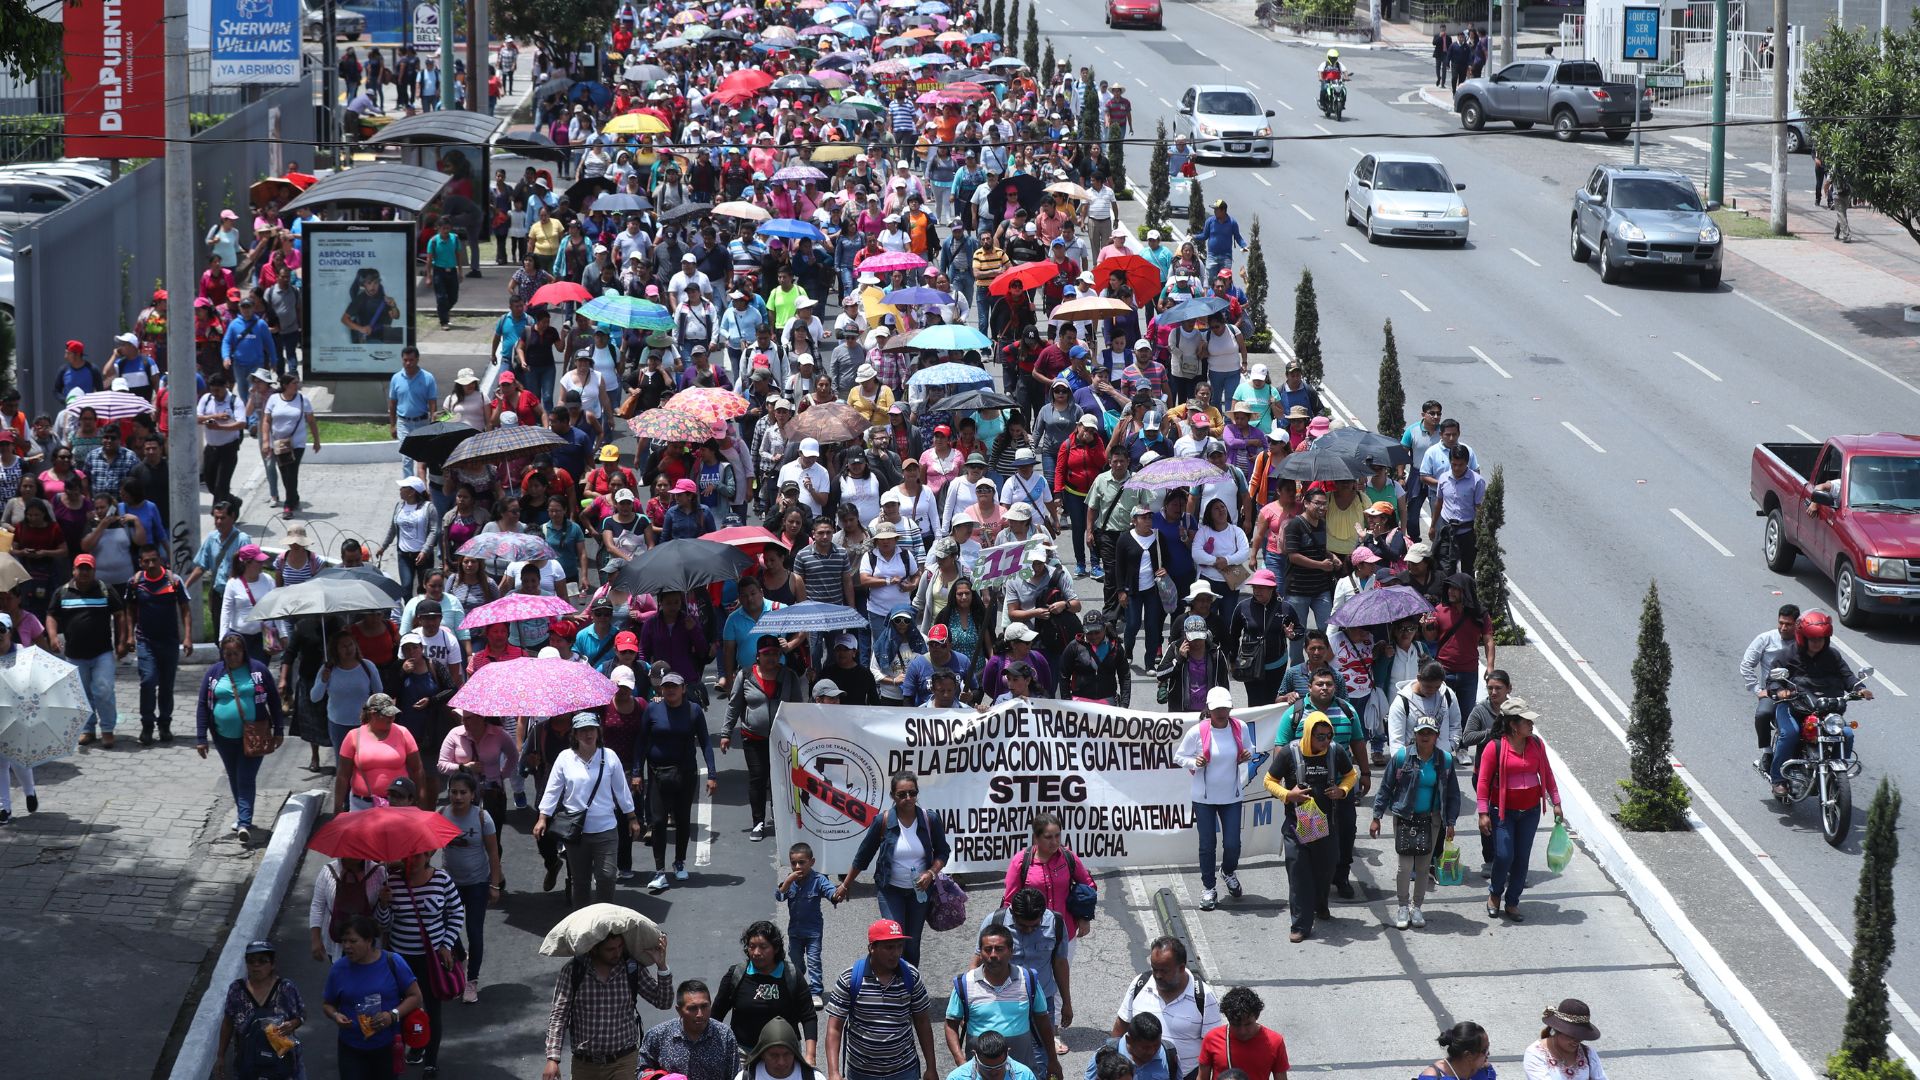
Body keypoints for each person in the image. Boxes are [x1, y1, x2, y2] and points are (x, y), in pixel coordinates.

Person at [836, 771, 951, 968]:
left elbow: (943, 852)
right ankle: (892, 983)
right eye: (902, 794)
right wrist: (846, 885)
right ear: (892, 796)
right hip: (890, 891)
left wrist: (931, 873)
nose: (908, 798)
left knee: (912, 943)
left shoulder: (930, 819)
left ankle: (910, 986)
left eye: (912, 793)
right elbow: (863, 856)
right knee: (894, 938)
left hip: (920, 893)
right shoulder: (883, 821)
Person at [1263, 711, 1357, 942]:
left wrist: (1342, 791)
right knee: (1298, 874)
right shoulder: (1289, 752)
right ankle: (1300, 924)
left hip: (1327, 823)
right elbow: (1268, 781)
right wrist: (1288, 794)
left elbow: (1350, 775)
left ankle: (1320, 903)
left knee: (1325, 871)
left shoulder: (1336, 751)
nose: (1325, 741)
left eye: (1328, 736)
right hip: (1297, 824)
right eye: (1320, 737)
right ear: (1308, 734)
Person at [533, 712, 640, 910]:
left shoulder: (609, 757)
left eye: (591, 729)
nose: (588, 734)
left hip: (606, 828)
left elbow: (621, 790)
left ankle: (605, 919)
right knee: (580, 882)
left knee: (607, 877)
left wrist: (631, 817)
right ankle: (583, 926)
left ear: (598, 732)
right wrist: (543, 817)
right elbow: (552, 789)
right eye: (582, 730)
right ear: (575, 734)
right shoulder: (565, 758)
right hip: (576, 832)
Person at [372, 850, 464, 1075]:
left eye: (417, 857)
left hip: (431, 960)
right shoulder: (391, 882)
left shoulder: (442, 880)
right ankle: (408, 1047)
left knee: (432, 1010)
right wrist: (383, 904)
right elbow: (383, 924)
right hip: (400, 960)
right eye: (406, 857)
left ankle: (430, 1061)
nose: (411, 862)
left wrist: (446, 944)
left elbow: (456, 912)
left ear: (427, 857)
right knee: (401, 1008)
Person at [541, 931, 675, 1080]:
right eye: (610, 949)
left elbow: (664, 1002)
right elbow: (559, 1016)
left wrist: (661, 966)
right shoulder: (573, 971)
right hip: (585, 1065)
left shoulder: (631, 968)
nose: (617, 953)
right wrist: (552, 1059)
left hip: (624, 1062)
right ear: (594, 949)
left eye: (620, 946)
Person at [1476, 696, 1563, 920]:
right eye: (1526, 721)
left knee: (1522, 858)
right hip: (1503, 812)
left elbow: (1547, 773)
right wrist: (1483, 813)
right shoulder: (1494, 748)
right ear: (1514, 725)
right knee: (1504, 855)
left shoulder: (1536, 744)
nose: (1531, 724)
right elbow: (1483, 782)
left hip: (1530, 812)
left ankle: (1513, 901)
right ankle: (1495, 893)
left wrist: (1556, 802)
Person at [1371, 718, 1461, 931]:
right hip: (1404, 817)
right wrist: (1377, 817)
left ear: (1437, 735)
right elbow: (1386, 787)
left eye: (1430, 732)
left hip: (1432, 819)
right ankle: (1402, 906)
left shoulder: (1445, 760)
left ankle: (1416, 907)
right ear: (1415, 734)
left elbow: (1453, 794)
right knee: (1405, 867)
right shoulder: (1402, 757)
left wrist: (1451, 822)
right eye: (1422, 732)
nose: (1425, 736)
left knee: (1423, 866)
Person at [194, 634, 285, 842]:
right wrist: (201, 738)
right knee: (234, 776)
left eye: (236, 653)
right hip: (223, 737)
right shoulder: (213, 674)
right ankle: (243, 815)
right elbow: (202, 705)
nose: (232, 657)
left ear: (244, 652)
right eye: (228, 654)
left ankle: (244, 822)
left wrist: (279, 730)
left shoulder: (259, 671)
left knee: (245, 776)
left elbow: (273, 700)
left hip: (256, 735)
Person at [824, 918, 941, 1080]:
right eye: (889, 947)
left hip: (904, 1071)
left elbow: (922, 1022)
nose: (896, 953)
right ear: (872, 948)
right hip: (861, 1073)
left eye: (899, 946)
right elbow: (834, 1028)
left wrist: (931, 1068)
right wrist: (833, 1073)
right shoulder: (850, 979)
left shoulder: (911, 976)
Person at [1765, 610, 1868, 793]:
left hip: (1825, 709)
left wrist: (1859, 689)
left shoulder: (1833, 656)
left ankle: (1837, 775)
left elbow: (1847, 676)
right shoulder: (1787, 655)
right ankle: (1778, 779)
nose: (1816, 643)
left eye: (1820, 639)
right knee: (1790, 733)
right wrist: (1781, 691)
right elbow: (1772, 680)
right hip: (1793, 707)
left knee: (1847, 734)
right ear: (1803, 638)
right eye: (1812, 639)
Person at [945, 923, 1060, 1080]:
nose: (993, 955)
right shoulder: (965, 983)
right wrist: (960, 1060)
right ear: (980, 952)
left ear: (1011, 951)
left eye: (999, 949)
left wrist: (1052, 1060)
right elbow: (951, 1024)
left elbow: (1043, 1021)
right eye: (987, 949)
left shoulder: (1028, 980)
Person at [637, 672, 719, 892]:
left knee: (683, 819)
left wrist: (712, 774)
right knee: (658, 821)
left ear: (683, 688)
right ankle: (659, 870)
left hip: (685, 773)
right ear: (661, 690)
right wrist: (637, 772)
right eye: (666, 687)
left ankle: (679, 861)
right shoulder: (652, 709)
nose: (670, 690)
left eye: (674, 686)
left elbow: (706, 743)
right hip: (657, 773)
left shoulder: (694, 710)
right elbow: (642, 741)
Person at [1174, 689, 1251, 912]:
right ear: (1208, 708)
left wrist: (1247, 755)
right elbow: (1179, 756)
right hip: (1204, 798)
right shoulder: (1197, 731)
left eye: (1225, 707)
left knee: (1233, 844)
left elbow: (1249, 749)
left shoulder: (1239, 727)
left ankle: (1227, 872)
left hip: (1232, 796)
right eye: (1216, 708)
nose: (1221, 712)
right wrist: (1194, 762)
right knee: (1207, 845)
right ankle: (1209, 888)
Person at [321, 914, 421, 1080]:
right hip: (351, 1047)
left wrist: (392, 1015)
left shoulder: (393, 962)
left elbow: (415, 996)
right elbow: (327, 1004)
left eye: (353, 941)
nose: (347, 947)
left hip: (387, 1046)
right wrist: (335, 1015)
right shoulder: (338, 969)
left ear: (369, 941)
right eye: (344, 941)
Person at [725, 636, 806, 841]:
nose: (771, 658)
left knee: (781, 780)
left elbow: (797, 707)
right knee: (758, 778)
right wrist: (726, 733)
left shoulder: (789, 676)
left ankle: (779, 817)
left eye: (775, 654)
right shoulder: (745, 676)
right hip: (753, 737)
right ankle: (758, 821)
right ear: (758, 656)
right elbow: (734, 705)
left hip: (782, 738)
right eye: (766, 654)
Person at [1109, 936, 1220, 1075]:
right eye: (1155, 969)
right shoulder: (1140, 984)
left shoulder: (1203, 996)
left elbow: (1213, 1045)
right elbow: (1121, 1024)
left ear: (1181, 967)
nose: (1157, 975)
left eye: (1164, 971)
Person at [49, 553, 129, 747]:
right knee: (81, 694)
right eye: (81, 568)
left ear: (94, 571)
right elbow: (51, 615)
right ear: (73, 570)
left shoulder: (105, 590)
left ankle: (108, 730)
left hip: (102, 652)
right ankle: (87, 729)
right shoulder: (62, 592)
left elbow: (120, 615)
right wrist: (52, 637)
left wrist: (122, 640)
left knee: (104, 690)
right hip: (75, 655)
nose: (84, 572)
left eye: (88, 568)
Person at [438, 772, 502, 1002]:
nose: (457, 796)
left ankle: (471, 981)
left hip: (477, 883)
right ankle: (460, 954)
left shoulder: (483, 818)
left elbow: (494, 853)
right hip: (449, 883)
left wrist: (494, 885)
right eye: (453, 792)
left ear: (473, 795)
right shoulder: (442, 815)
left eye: (463, 792)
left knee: (475, 932)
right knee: (445, 928)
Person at [715, 921, 819, 1059]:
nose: (756, 952)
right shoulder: (736, 974)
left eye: (763, 947)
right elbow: (716, 1015)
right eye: (752, 947)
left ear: (775, 948)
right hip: (743, 1053)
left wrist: (810, 1056)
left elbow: (809, 1016)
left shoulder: (792, 974)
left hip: (784, 1054)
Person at [215, 940, 306, 1080]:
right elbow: (228, 1023)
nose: (256, 965)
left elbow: (302, 1015)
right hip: (248, 1063)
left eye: (262, 961)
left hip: (282, 1063)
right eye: (251, 961)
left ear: (272, 964)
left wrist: (293, 1024)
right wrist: (220, 1056)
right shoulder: (237, 989)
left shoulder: (286, 988)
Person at [130, 545, 192, 745]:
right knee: (148, 681)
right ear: (140, 562)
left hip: (169, 642)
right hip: (145, 641)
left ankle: (165, 724)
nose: (150, 564)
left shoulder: (173, 581)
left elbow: (185, 609)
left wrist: (188, 636)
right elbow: (128, 610)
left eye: (154, 560)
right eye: (146, 561)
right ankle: (147, 724)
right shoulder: (135, 583)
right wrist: (128, 637)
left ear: (161, 560)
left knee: (166, 686)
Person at [334, 693, 425, 813]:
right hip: (362, 805)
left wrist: (421, 801)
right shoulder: (353, 736)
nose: (392, 718)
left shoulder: (403, 733)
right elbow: (342, 776)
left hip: (398, 804)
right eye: (387, 715)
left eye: (393, 714)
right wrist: (338, 807)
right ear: (373, 714)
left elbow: (417, 769)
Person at [640, 979, 740, 1080]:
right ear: (679, 1010)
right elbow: (642, 1070)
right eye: (692, 1008)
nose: (700, 1014)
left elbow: (735, 1075)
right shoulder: (658, 1035)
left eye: (704, 1006)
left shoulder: (724, 1035)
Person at [780, 842, 842, 1004]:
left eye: (802, 862)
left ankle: (815, 992)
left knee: (814, 961)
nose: (797, 866)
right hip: (795, 931)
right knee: (795, 961)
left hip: (813, 931)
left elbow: (830, 891)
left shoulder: (818, 879)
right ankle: (800, 987)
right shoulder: (790, 880)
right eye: (793, 863)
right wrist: (787, 882)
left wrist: (836, 895)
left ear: (811, 862)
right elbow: (779, 895)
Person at [1741, 604, 1801, 763]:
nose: (1783, 627)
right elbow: (1746, 664)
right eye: (1781, 623)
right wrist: (1757, 690)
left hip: (1798, 692)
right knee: (1762, 714)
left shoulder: (1804, 642)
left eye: (1788, 624)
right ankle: (1767, 752)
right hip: (1772, 691)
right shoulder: (1765, 639)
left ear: (1797, 624)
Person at [1195, 987, 1288, 1080]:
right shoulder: (1212, 1039)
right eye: (1235, 1024)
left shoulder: (1275, 1042)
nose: (1242, 1031)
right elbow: (1202, 1077)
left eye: (1248, 1024)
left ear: (1257, 1016)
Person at [1524, 1000, 1607, 1080]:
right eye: (1572, 1035)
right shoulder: (1536, 1053)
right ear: (1558, 1030)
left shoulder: (1589, 1054)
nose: (1577, 1040)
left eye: (1580, 1035)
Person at [1086, 1014, 1176, 1080]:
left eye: (1156, 1045)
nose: (1152, 1051)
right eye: (1145, 1048)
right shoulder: (1104, 1056)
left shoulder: (1169, 1055)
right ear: (1129, 1040)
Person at [739, 1018, 818, 1080]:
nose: (781, 1062)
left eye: (787, 1054)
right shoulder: (745, 1077)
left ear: (795, 1053)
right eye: (774, 1055)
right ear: (762, 1054)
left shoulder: (814, 1077)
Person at [1420, 1021, 1494, 1080]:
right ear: (1468, 1055)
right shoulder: (1433, 1076)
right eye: (1484, 1050)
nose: (1488, 1054)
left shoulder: (1484, 1071)